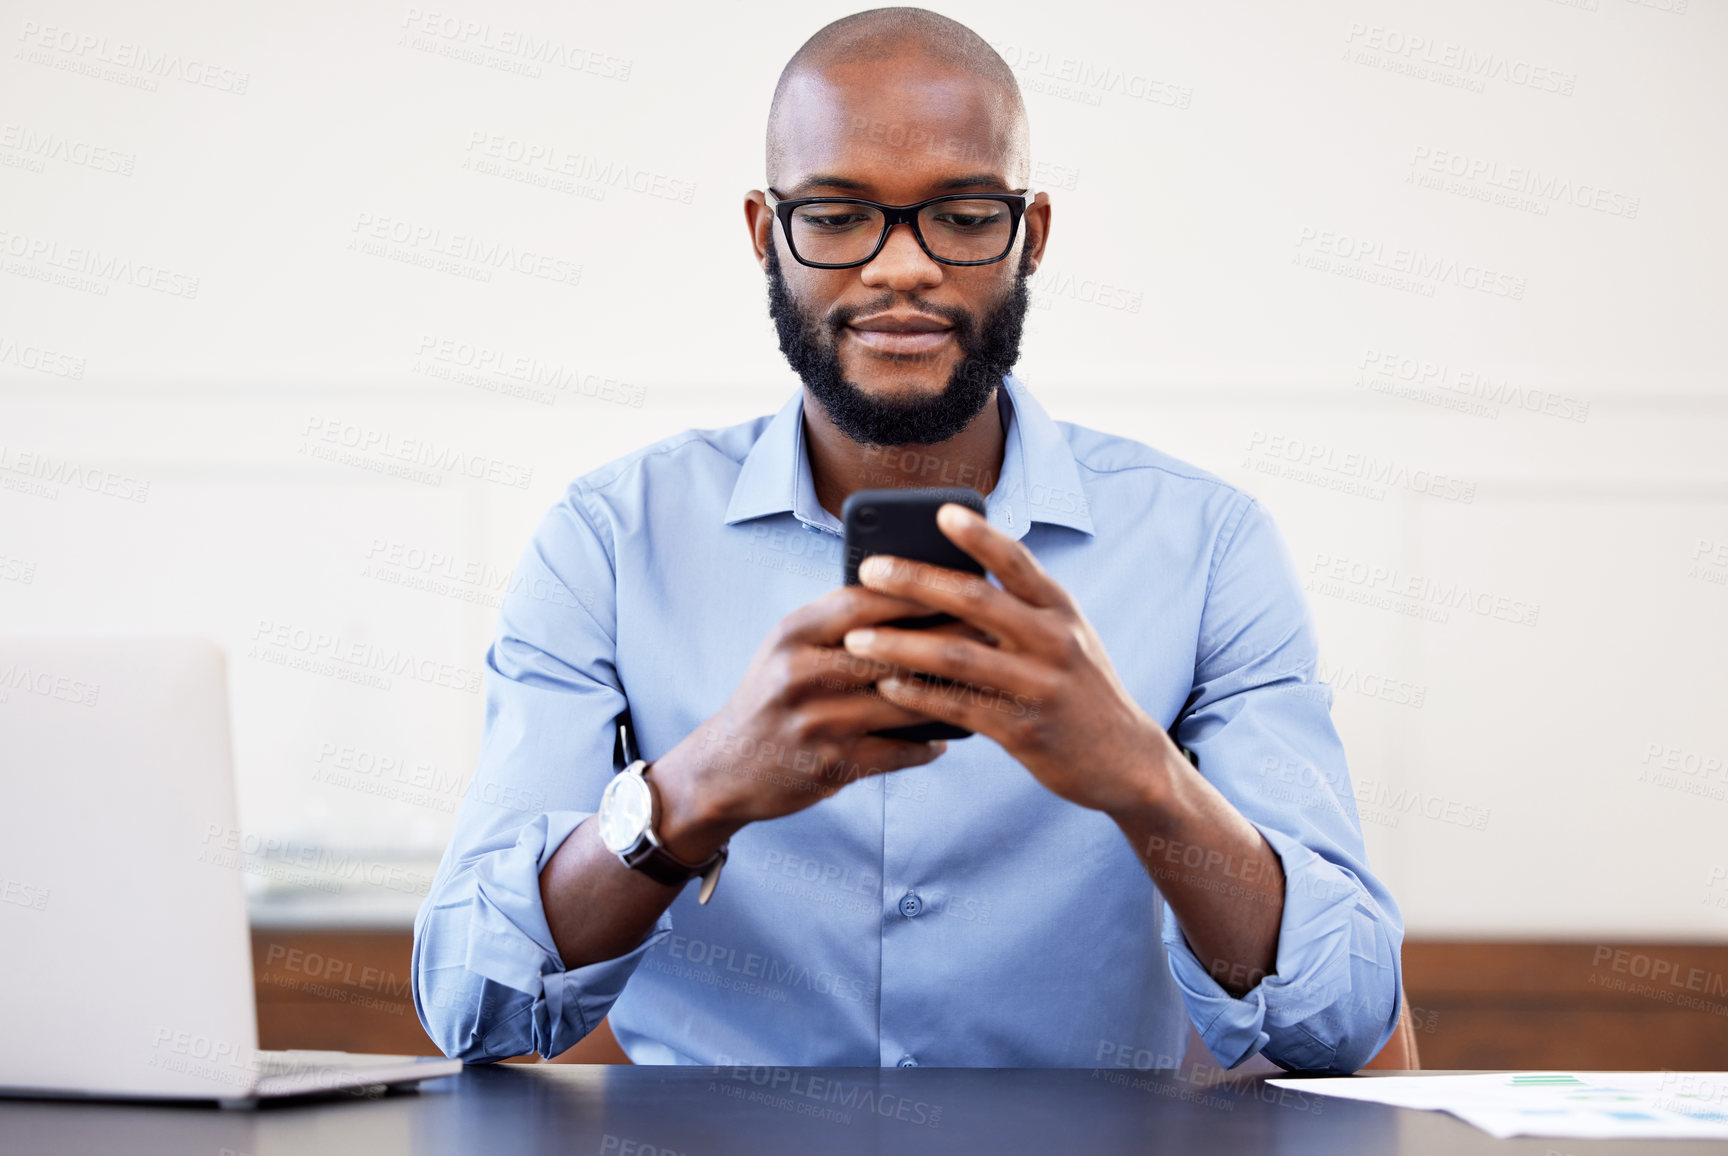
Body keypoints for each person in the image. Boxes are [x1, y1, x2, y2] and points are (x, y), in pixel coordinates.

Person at [412, 6, 1403, 1073]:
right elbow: (475, 999)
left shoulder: (1208, 546)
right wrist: (694, 790)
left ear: (1031, 234)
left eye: (964, 214)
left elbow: (1340, 1016)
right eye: (837, 217)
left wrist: (1140, 774)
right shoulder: (608, 539)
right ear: (763, 233)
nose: (901, 268)